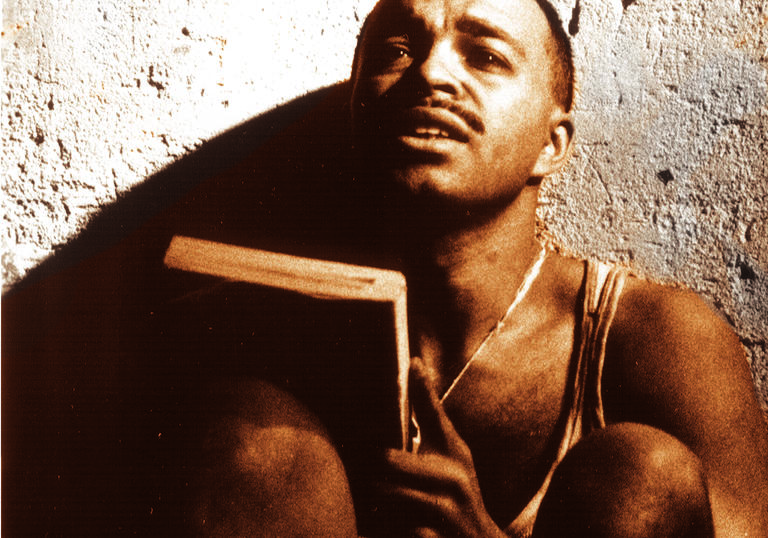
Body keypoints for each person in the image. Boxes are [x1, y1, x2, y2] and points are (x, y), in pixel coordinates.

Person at [3, 0, 766, 536]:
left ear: (552, 143)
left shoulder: (657, 338)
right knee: (248, 435)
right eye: (398, 49)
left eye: (486, 55)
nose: (433, 74)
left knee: (643, 473)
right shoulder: (275, 325)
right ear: (358, 114)